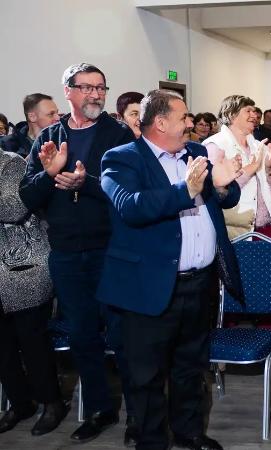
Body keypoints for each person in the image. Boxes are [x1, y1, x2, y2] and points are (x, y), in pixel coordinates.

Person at [97, 89, 244, 450]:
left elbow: (222, 196)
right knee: (146, 376)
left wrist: (224, 186)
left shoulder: (195, 152)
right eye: (184, 118)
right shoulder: (121, 159)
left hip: (199, 284)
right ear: (161, 123)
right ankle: (151, 441)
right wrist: (186, 189)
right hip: (148, 288)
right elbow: (131, 206)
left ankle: (189, 432)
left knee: (191, 367)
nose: (191, 123)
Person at [18, 62, 136, 444]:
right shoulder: (49, 135)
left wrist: (86, 183)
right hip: (67, 253)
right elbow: (27, 197)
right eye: (86, 88)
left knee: (123, 336)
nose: (95, 94)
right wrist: (49, 173)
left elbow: (127, 192)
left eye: (100, 87)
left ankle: (137, 414)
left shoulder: (117, 133)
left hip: (111, 250)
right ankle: (100, 409)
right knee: (83, 337)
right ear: (67, 91)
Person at [0, 150, 68, 436]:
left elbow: (12, 208)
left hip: (24, 267)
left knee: (33, 341)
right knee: (2, 348)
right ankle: (20, 403)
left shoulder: (11, 162)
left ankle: (52, 402)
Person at [204, 95, 271, 243]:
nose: (254, 115)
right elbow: (214, 193)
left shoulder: (258, 146)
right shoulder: (215, 145)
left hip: (266, 227)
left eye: (254, 111)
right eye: (248, 111)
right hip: (236, 232)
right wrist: (251, 168)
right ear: (231, 114)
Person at [1, 93, 60, 158]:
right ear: (32, 117)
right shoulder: (7, 144)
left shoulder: (63, 141)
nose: (58, 118)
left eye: (57, 113)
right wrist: (25, 164)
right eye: (51, 114)